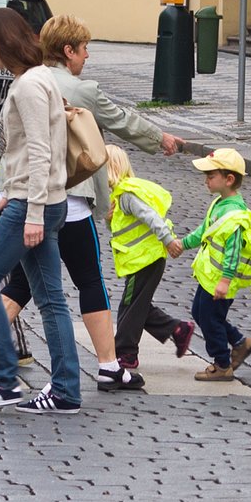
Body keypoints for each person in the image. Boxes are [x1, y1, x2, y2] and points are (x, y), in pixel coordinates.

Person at [0, 14, 186, 394]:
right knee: (89, 283)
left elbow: (6, 139)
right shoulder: (82, 90)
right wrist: (160, 138)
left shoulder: (24, 81)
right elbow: (121, 121)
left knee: (20, 283)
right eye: (84, 50)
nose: (87, 57)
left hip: (26, 201)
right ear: (68, 51)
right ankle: (108, 366)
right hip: (70, 202)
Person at [0, 9, 82, 413]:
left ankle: (5, 379)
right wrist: (9, 195)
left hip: (37, 205)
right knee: (51, 300)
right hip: (39, 200)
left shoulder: (29, 85)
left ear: (5, 42)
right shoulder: (39, 77)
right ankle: (65, 391)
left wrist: (29, 212)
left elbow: (40, 152)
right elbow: (27, 153)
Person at [102, 144, 193, 385]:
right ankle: (177, 330)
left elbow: (152, 217)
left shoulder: (127, 196)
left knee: (131, 306)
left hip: (146, 259)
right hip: (141, 260)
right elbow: (121, 229)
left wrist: (169, 240)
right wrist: (109, 220)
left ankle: (126, 353)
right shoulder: (117, 197)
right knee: (136, 304)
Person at [182, 148, 251, 381]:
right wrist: (183, 243)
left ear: (228, 179)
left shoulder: (235, 214)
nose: (206, 180)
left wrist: (225, 281)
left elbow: (234, 250)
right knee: (201, 313)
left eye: (210, 175)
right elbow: (205, 231)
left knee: (209, 318)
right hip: (210, 277)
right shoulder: (219, 204)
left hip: (220, 280)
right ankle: (239, 342)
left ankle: (222, 364)